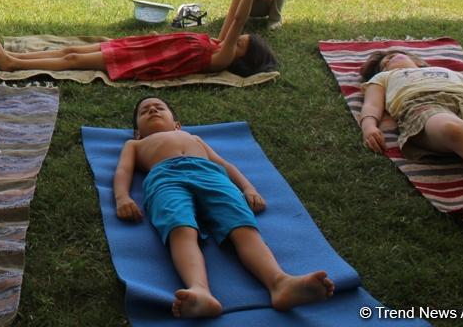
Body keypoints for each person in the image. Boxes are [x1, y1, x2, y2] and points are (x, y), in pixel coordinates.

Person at [113, 96, 334, 318]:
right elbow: (123, 171)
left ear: (177, 125)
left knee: (242, 226)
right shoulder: (135, 144)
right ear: (137, 132)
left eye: (159, 107)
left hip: (211, 175)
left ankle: (279, 282)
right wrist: (122, 197)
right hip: (165, 178)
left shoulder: (193, 138)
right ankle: (199, 290)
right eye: (145, 111)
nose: (152, 110)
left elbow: (225, 165)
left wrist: (248, 189)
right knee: (180, 229)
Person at [0, 0, 277, 81]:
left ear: (240, 58)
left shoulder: (220, 58)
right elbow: (231, 16)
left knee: (73, 57)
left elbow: (238, 20)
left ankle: (14, 64)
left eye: (240, 43)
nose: (234, 39)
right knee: (72, 49)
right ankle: (16, 58)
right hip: (140, 46)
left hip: (139, 59)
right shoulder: (219, 45)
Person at [359, 50, 463, 211]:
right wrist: (368, 126)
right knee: (452, 128)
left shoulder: (450, 72)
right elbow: (372, 104)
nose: (387, 61)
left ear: (417, 60)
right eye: (383, 64)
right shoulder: (383, 78)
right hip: (422, 105)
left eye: (391, 57)